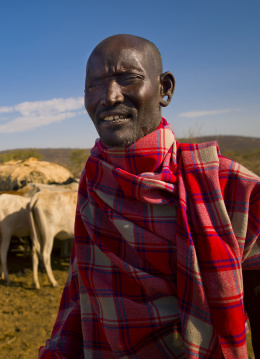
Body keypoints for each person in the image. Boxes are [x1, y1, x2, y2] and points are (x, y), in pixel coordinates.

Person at [39, 34, 260, 358]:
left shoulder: (231, 187)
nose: (110, 96)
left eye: (128, 78)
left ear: (165, 88)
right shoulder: (95, 182)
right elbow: (82, 294)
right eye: (94, 86)